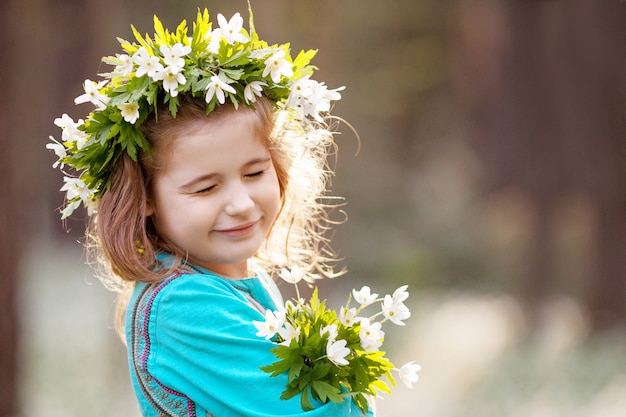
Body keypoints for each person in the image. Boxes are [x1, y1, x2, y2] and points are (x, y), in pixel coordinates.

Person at [48, 7, 373, 417]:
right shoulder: (182, 305)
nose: (240, 204)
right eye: (206, 187)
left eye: (255, 172)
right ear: (144, 196)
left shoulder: (231, 283)